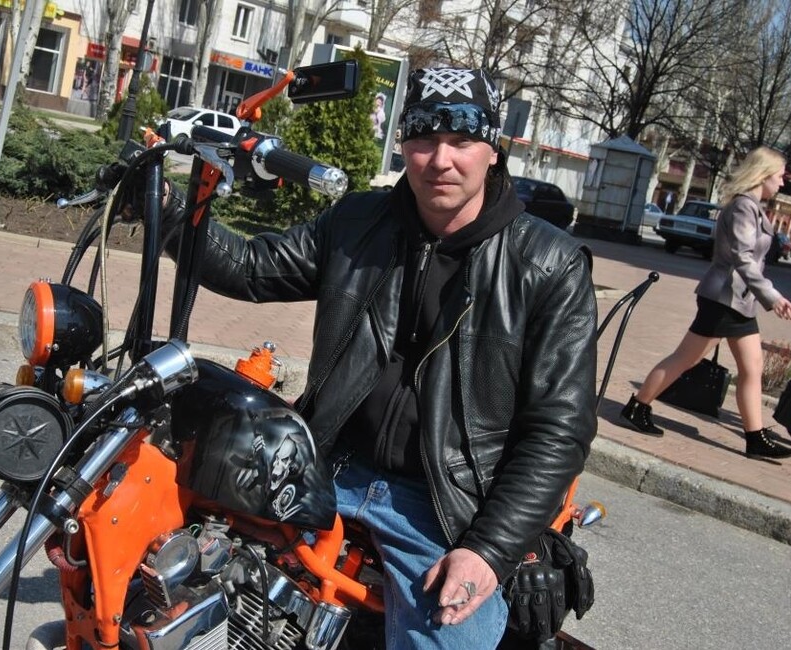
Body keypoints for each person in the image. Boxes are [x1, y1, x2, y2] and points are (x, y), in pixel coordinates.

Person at [159, 67, 598, 649]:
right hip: (326, 462)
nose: (441, 160)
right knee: (174, 542)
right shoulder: (358, 222)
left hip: (445, 503)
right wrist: (165, 206)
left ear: (494, 150)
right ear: (404, 144)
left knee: (444, 639)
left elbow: (559, 431)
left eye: (462, 140)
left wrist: (488, 550)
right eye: (424, 139)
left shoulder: (549, 264)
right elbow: (251, 268)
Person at [620, 146, 791, 460]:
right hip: (724, 298)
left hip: (738, 301)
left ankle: (755, 437)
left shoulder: (752, 207)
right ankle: (637, 406)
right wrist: (774, 296)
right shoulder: (743, 207)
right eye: (780, 176)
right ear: (764, 174)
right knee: (686, 358)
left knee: (752, 366)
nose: (782, 183)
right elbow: (742, 258)